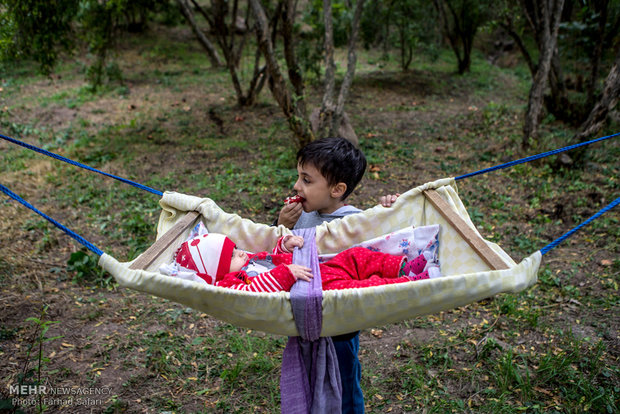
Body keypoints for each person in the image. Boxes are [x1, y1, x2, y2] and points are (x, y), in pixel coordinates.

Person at [274, 137, 376, 413]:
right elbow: (277, 255)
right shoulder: (303, 216)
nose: (296, 186)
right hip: (304, 313)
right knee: (308, 376)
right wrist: (282, 226)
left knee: (342, 383)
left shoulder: (355, 223)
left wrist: (392, 209)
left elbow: (384, 239)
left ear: (337, 189)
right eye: (298, 177)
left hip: (338, 321)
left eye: (306, 180)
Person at [173, 232, 436, 292]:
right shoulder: (232, 282)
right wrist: (286, 273)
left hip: (317, 267)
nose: (240, 253)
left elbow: (270, 256)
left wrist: (284, 245)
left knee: (355, 256)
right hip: (311, 287)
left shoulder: (247, 260)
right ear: (217, 270)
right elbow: (254, 290)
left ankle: (406, 265)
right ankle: (408, 282)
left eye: (236, 249)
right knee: (358, 287)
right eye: (231, 256)